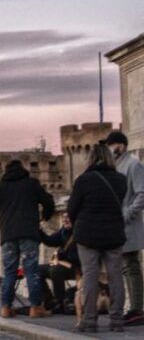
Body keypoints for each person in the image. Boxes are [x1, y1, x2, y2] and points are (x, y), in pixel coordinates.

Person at [68, 143, 128, 333]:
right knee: (116, 276)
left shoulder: (83, 180)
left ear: (91, 158)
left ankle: (89, 320)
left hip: (88, 234)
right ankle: (117, 320)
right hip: (113, 232)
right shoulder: (121, 180)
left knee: (90, 276)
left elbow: (72, 209)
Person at [0, 158, 55, 319]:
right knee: (31, 269)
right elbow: (48, 201)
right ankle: (35, 307)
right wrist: (45, 216)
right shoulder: (31, 184)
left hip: (8, 234)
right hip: (28, 232)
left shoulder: (0, 187)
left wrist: (5, 221)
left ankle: (6, 307)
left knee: (9, 271)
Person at [107, 131, 144, 326]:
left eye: (112, 145)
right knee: (125, 267)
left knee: (131, 266)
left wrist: (127, 214)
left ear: (120, 145)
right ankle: (133, 308)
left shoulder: (133, 164)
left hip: (128, 223)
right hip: (117, 224)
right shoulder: (115, 166)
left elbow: (142, 194)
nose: (110, 149)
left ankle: (137, 309)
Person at [38, 213, 79, 313]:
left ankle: (60, 302)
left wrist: (63, 256)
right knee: (37, 270)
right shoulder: (63, 231)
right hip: (63, 264)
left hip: (77, 266)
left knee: (56, 270)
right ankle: (48, 300)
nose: (65, 220)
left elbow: (79, 256)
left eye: (68, 217)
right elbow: (50, 241)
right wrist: (39, 231)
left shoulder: (80, 232)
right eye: (64, 217)